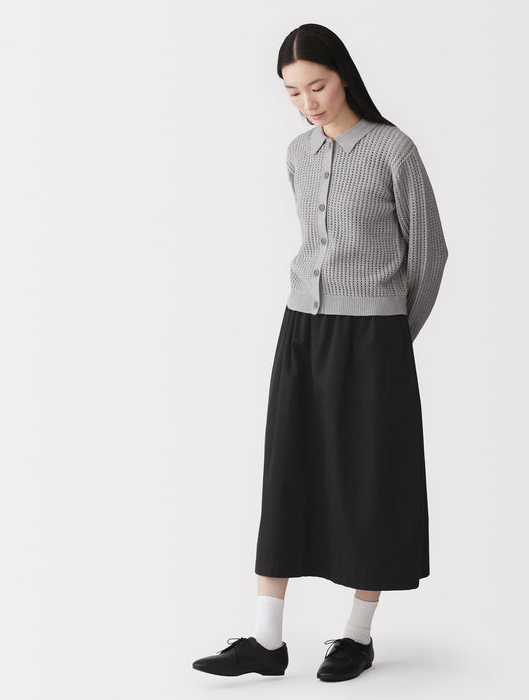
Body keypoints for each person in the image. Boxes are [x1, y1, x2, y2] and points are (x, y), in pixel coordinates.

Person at [192, 22, 448, 682]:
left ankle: (356, 636)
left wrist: (392, 338)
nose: (307, 102)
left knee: (369, 481)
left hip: (373, 338)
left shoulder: (393, 150)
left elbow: (430, 255)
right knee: (288, 468)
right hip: (302, 329)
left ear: (344, 77)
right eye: (292, 92)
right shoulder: (297, 154)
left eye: (318, 86)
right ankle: (266, 639)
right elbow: (314, 242)